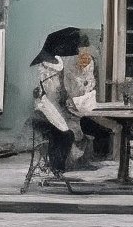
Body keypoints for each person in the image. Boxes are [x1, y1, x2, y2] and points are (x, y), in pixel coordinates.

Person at [29, 27, 100, 175]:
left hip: (57, 105)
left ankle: (74, 163)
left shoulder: (58, 62)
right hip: (46, 107)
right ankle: (58, 169)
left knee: (87, 124)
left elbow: (62, 90)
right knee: (67, 133)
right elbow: (47, 96)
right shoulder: (46, 66)